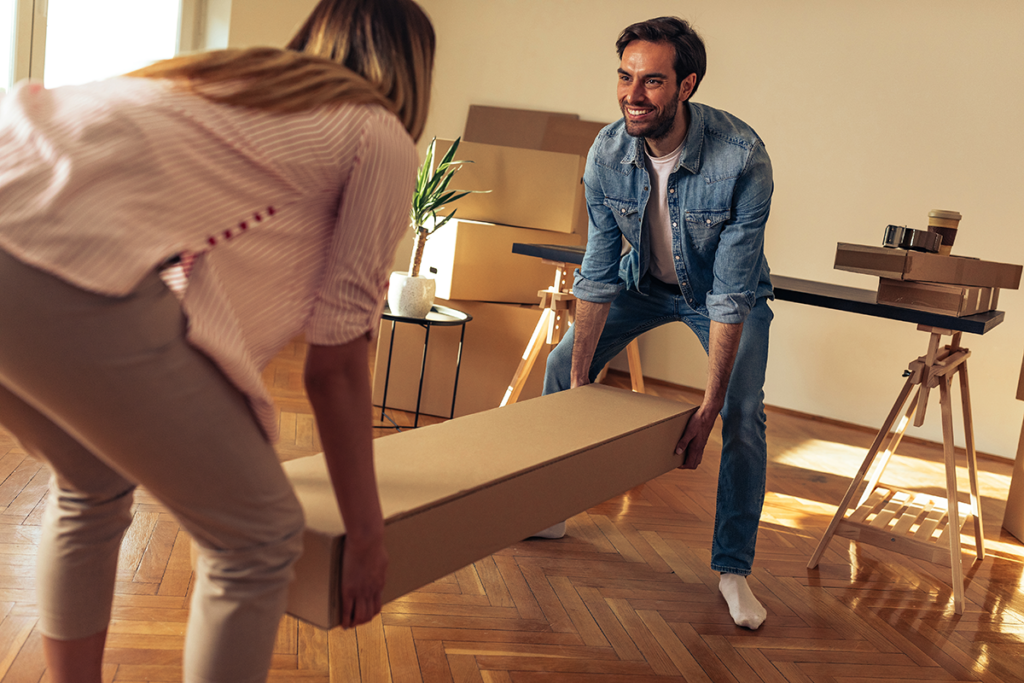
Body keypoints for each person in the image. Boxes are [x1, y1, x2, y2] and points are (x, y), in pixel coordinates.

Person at [0, 0, 434, 680]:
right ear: (413, 71)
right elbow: (336, 369)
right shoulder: (378, 132)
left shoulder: (226, 83)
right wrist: (368, 534)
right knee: (257, 539)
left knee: (91, 479)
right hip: (37, 248)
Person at [540, 17, 774, 630]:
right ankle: (550, 507)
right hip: (641, 283)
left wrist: (707, 405)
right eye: (624, 77)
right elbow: (596, 270)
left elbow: (729, 294)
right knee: (564, 365)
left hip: (723, 295)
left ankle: (733, 570)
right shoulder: (605, 152)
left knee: (743, 414)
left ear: (686, 84)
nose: (632, 95)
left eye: (651, 81)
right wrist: (583, 380)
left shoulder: (741, 156)